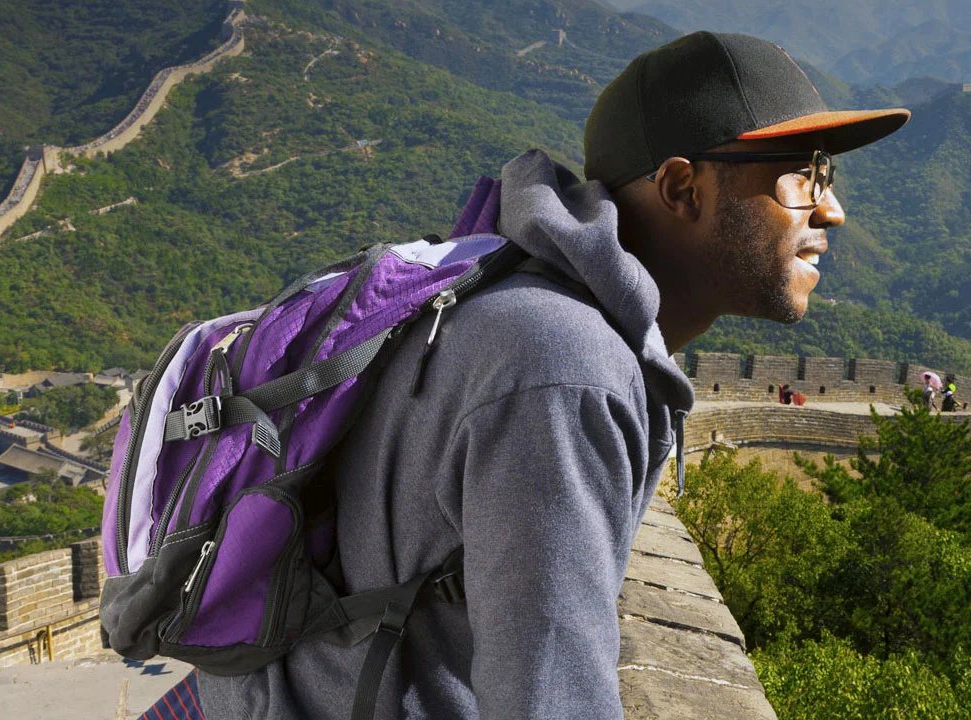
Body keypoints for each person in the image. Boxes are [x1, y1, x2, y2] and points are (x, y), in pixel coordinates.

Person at [192, 31, 909, 720]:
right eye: (801, 175)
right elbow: (550, 697)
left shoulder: (529, 308)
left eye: (828, 173)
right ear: (684, 187)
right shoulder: (564, 366)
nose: (832, 209)